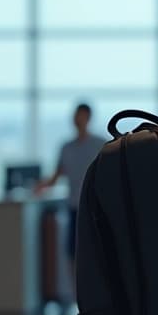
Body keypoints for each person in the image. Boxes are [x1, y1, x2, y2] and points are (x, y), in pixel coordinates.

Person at [34, 103, 106, 264]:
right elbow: (56, 176)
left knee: (97, 251)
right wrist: (40, 186)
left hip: (95, 207)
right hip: (74, 206)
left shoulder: (100, 144)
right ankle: (76, 289)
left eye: (80, 115)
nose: (77, 119)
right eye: (75, 116)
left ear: (88, 118)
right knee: (73, 253)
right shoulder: (66, 147)